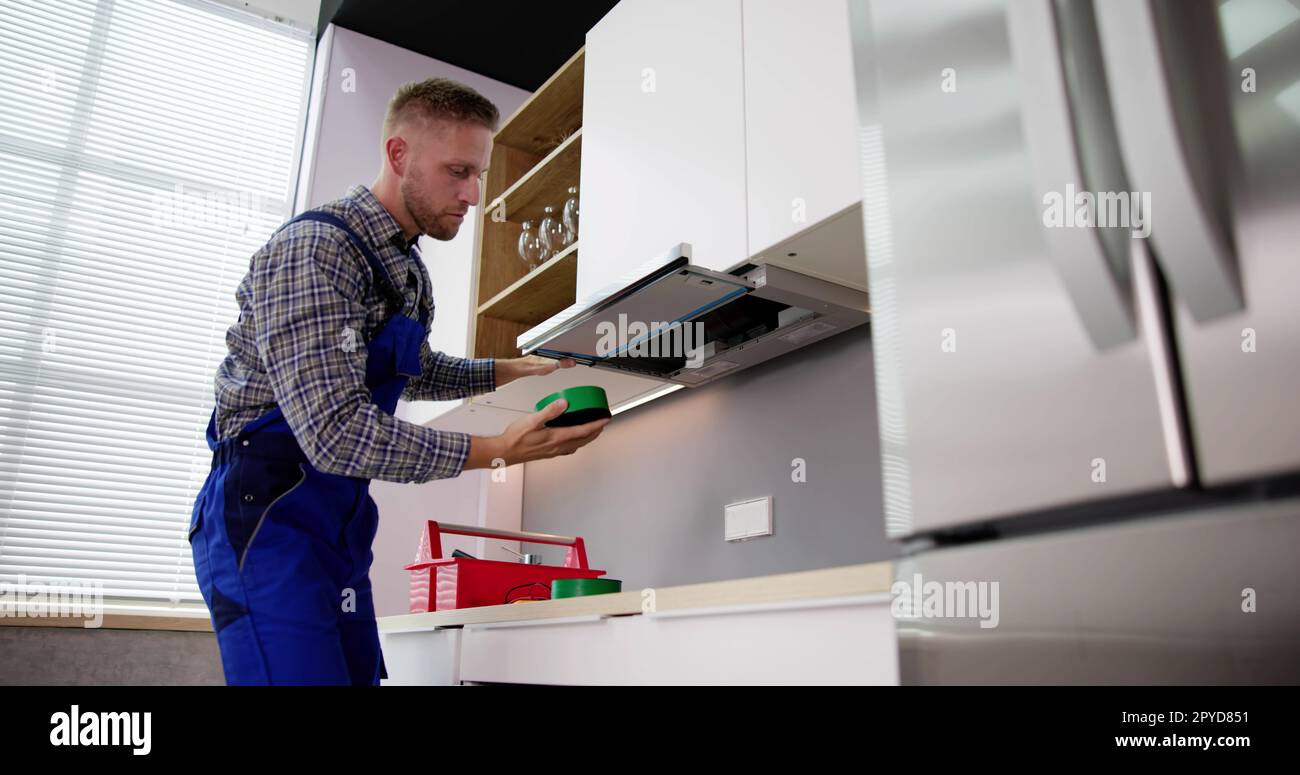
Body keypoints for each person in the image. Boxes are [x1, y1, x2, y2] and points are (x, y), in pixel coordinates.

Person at [187, 77, 608, 685]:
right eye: (458, 171)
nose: (473, 194)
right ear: (398, 154)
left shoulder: (407, 271)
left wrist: (505, 370)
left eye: (479, 173)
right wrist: (496, 450)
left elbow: (410, 370)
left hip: (339, 527)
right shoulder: (317, 250)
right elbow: (334, 433)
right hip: (265, 522)